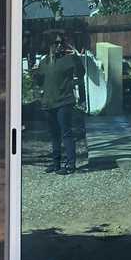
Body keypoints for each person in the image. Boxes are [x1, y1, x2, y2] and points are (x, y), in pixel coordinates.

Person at [32, 31, 86, 175]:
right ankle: (56, 163)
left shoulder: (68, 59)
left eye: (61, 42)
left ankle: (70, 164)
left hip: (64, 102)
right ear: (49, 44)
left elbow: (81, 73)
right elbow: (39, 82)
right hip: (48, 103)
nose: (59, 45)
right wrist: (35, 74)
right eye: (56, 43)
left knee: (66, 133)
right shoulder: (44, 62)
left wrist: (75, 56)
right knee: (54, 134)